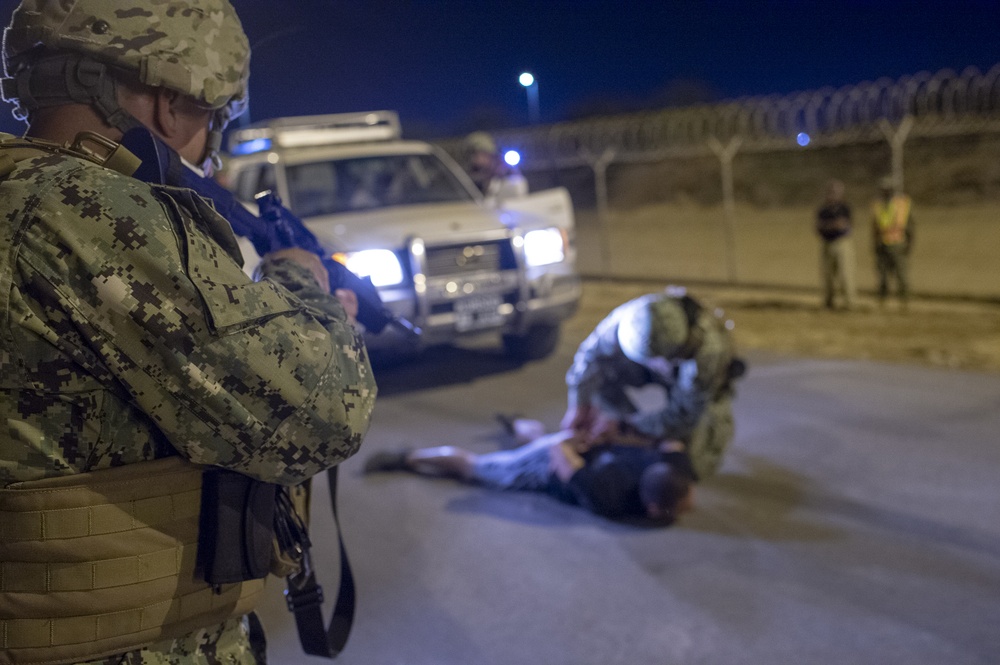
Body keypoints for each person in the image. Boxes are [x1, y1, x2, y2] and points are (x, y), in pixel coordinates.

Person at [0, 2, 377, 664]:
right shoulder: (90, 211)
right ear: (172, 104)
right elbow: (326, 408)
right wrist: (303, 284)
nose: (208, 145)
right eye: (212, 119)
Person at [561, 288, 742, 481]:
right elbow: (589, 360)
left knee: (693, 467)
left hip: (689, 380)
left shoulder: (707, 352)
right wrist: (579, 404)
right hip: (648, 366)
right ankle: (627, 439)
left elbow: (684, 416)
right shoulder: (629, 321)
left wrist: (624, 426)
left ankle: (633, 433)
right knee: (597, 380)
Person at [363, 424, 696, 524]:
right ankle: (407, 458)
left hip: (580, 456)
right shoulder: (606, 494)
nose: (690, 504)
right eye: (683, 503)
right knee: (477, 468)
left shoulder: (677, 470)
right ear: (653, 506)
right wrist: (605, 435)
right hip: (553, 464)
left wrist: (609, 439)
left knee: (539, 440)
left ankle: (518, 425)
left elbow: (671, 441)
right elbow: (557, 454)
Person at [871, 175, 915, 309]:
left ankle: (904, 301)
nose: (886, 191)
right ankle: (882, 301)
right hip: (882, 244)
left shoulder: (902, 204)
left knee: (901, 274)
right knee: (882, 276)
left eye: (888, 189)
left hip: (897, 243)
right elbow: (874, 227)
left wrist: (909, 243)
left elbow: (910, 226)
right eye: (884, 189)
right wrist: (874, 244)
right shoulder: (877, 205)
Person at [815, 179, 857, 310]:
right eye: (830, 192)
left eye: (835, 192)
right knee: (828, 276)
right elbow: (819, 227)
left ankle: (850, 303)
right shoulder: (823, 210)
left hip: (842, 243)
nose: (832, 195)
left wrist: (832, 226)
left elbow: (846, 225)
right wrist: (834, 225)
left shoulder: (845, 208)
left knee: (846, 274)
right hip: (827, 243)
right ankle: (829, 302)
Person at [463, 130, 529, 203]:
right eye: (476, 154)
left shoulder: (503, 169)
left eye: (484, 153)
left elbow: (518, 188)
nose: (481, 158)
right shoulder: (467, 176)